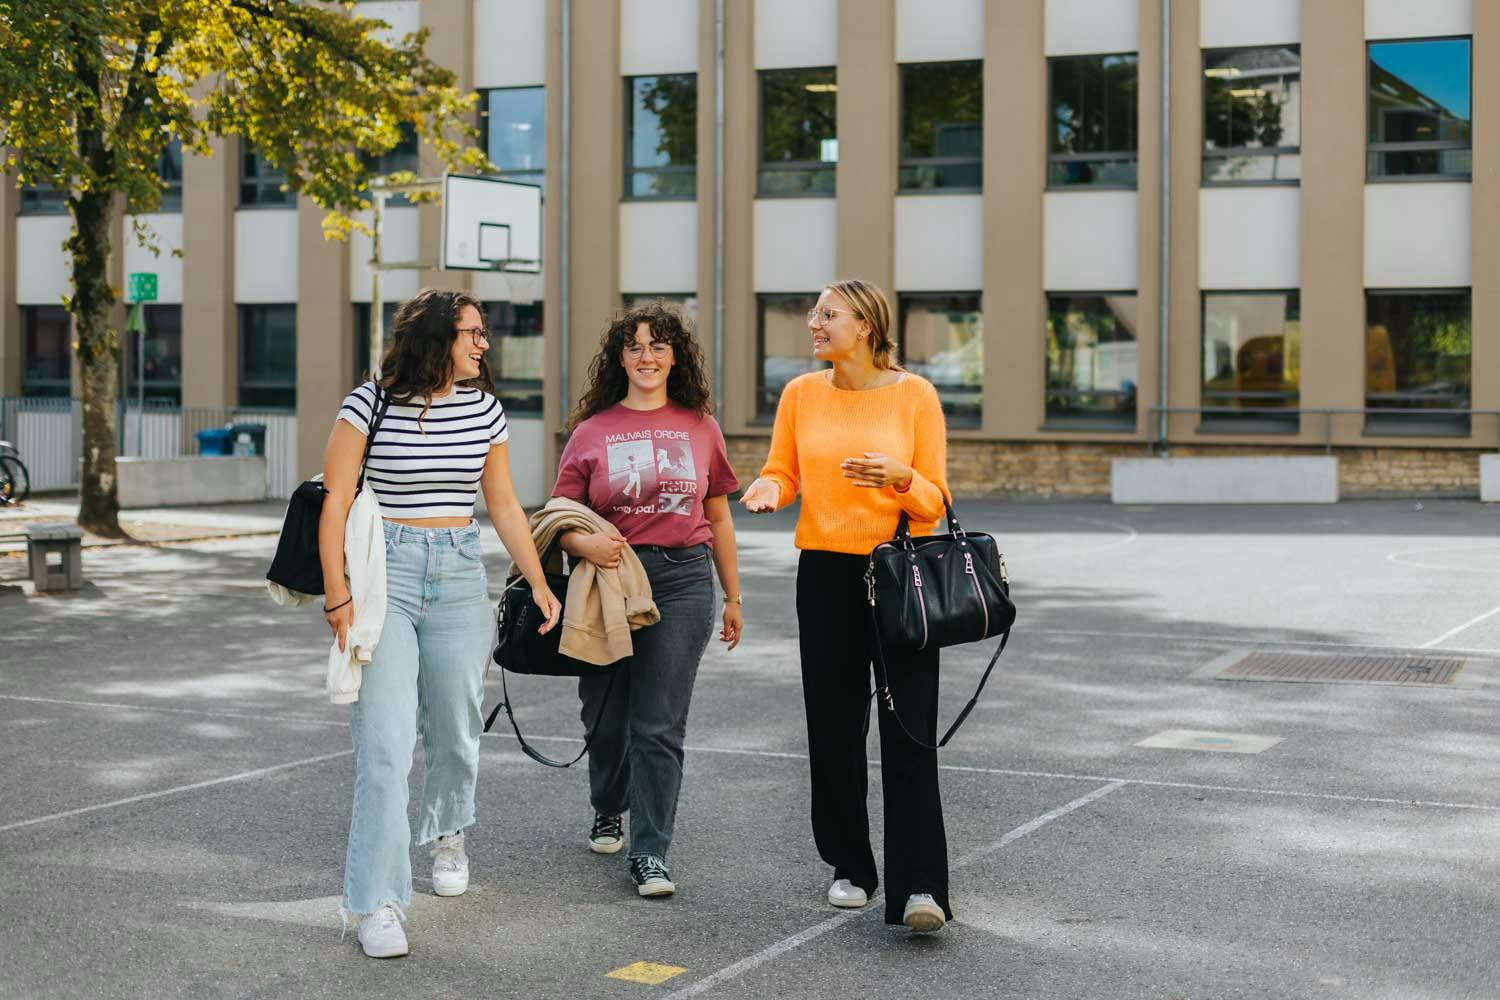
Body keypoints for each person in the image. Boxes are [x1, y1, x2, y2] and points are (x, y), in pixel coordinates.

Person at [319, 288, 561, 958]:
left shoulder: (484, 409)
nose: (484, 344)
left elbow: (506, 505)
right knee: (386, 749)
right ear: (436, 338)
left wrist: (536, 581)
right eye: (473, 333)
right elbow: (334, 503)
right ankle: (378, 902)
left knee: (456, 732)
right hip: (385, 577)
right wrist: (337, 596)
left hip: (457, 571)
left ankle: (449, 832)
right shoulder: (367, 404)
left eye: (483, 333)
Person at [739, 278, 954, 934]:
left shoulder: (917, 395)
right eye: (814, 313)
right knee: (832, 728)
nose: (814, 322)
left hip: (899, 571)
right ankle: (851, 866)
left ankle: (921, 888)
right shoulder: (802, 395)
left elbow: (937, 499)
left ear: (865, 324)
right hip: (825, 575)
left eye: (827, 314)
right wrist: (768, 490)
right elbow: (785, 471)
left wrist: (900, 478)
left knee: (910, 731)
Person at [552, 301, 743, 898]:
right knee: (606, 721)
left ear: (675, 356)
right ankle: (609, 801)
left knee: (658, 725)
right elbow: (557, 518)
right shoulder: (591, 431)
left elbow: (717, 515)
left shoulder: (700, 426)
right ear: (619, 357)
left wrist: (733, 594)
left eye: (658, 345)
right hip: (610, 583)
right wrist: (587, 544)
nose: (646, 356)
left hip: (684, 580)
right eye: (634, 346)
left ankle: (650, 852)